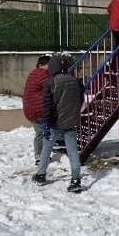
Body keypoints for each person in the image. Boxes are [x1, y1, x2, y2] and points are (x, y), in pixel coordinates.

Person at [32, 55, 85, 193]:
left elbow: (47, 106)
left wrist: (45, 123)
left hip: (54, 123)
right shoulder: (76, 82)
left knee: (46, 148)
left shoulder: (51, 83)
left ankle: (41, 174)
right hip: (71, 122)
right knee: (73, 151)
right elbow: (80, 100)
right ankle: (75, 180)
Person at [22, 55, 50, 166]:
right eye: (49, 66)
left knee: (43, 132)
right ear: (41, 65)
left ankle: (43, 154)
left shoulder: (34, 73)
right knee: (41, 134)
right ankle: (39, 157)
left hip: (31, 109)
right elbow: (53, 85)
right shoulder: (41, 74)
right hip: (37, 110)